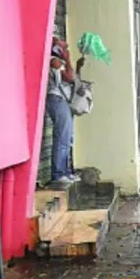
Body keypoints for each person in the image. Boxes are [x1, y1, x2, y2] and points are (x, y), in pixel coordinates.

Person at [45, 37, 80, 189]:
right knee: (62, 137)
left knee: (68, 137)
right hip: (57, 99)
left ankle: (66, 171)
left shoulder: (60, 62)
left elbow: (73, 78)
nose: (66, 45)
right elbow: (69, 77)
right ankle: (58, 174)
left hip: (63, 101)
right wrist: (68, 58)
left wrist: (77, 65)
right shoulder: (54, 61)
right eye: (62, 44)